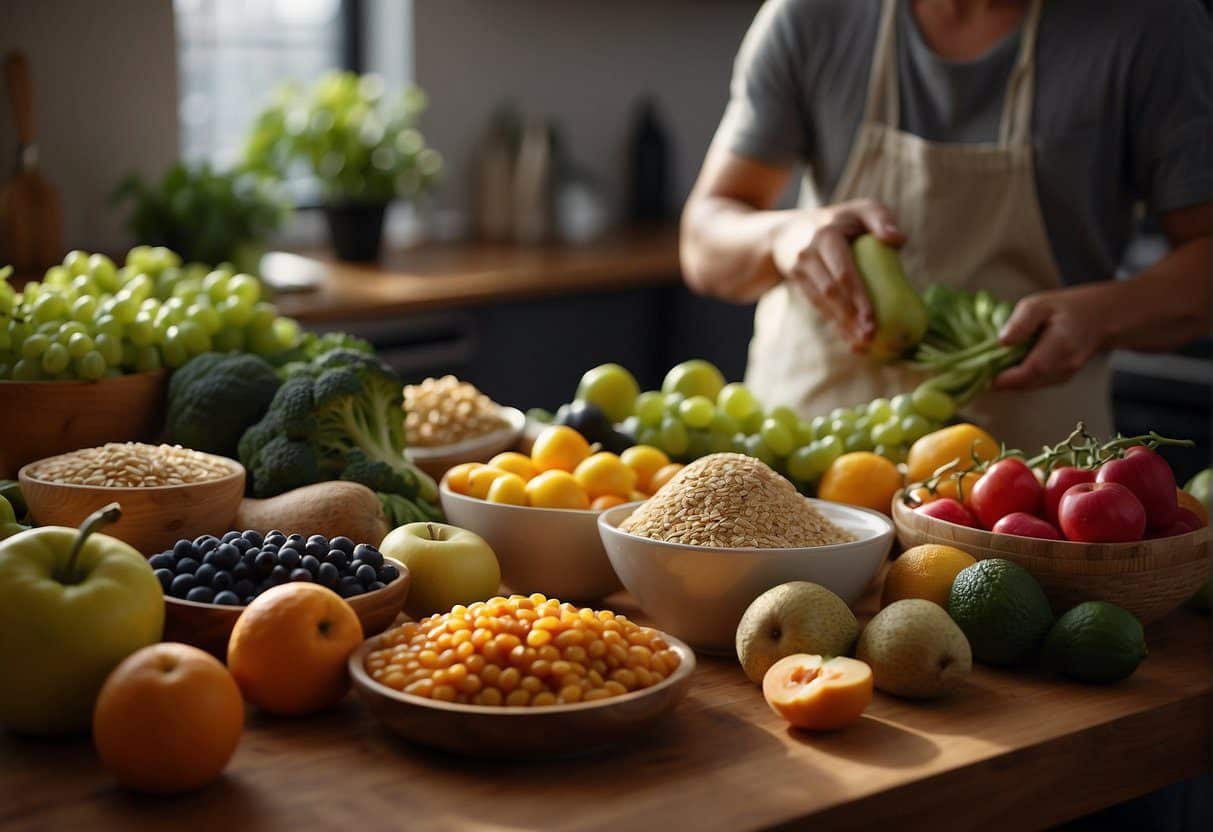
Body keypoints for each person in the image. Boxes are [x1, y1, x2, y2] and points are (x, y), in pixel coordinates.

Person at [680, 0, 1212, 450]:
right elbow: (703, 240)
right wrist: (781, 237)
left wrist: (1103, 316)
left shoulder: (1153, 27)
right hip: (804, 459)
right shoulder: (812, 15)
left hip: (1026, 485)